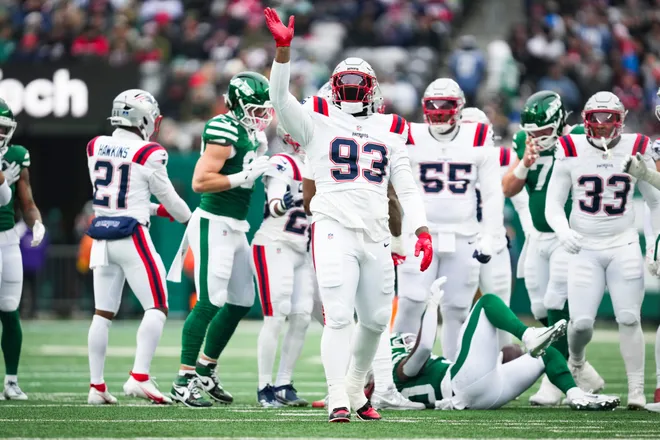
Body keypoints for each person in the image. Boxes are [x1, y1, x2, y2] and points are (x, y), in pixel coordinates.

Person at [265, 8, 433, 422]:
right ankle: (337, 394)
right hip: (333, 226)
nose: (356, 91)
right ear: (336, 89)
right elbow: (278, 100)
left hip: (375, 232)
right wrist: (283, 52)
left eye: (361, 85)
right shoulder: (316, 119)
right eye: (349, 85)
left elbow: (406, 185)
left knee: (376, 320)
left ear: (373, 89)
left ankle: (357, 388)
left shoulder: (392, 127)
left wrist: (421, 230)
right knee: (339, 315)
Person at [545, 91, 660, 409]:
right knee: (580, 323)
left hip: (623, 243)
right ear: (586, 120)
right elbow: (554, 204)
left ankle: (636, 391)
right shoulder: (570, 147)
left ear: (621, 120)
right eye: (597, 118)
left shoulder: (637, 145)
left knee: (629, 318)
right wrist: (563, 230)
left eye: (610, 118)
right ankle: (577, 363)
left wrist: (652, 242)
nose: (603, 125)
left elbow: (654, 201)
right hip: (584, 246)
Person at [167, 72, 273, 407]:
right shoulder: (223, 128)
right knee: (210, 301)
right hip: (214, 222)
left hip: (236, 224)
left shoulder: (248, 131)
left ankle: (205, 368)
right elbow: (200, 181)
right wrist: (244, 174)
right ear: (239, 105)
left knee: (241, 301)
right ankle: (183, 380)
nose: (261, 116)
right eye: (255, 109)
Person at [85, 89, 191, 405]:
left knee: (102, 314)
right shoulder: (149, 152)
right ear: (143, 118)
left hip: (101, 237)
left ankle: (96, 386)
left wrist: (159, 211)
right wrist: (187, 216)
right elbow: (168, 197)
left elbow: (124, 196)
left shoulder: (95, 146)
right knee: (157, 307)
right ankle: (139, 377)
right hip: (132, 238)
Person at [501, 91, 604, 406]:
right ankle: (577, 365)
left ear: (559, 122)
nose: (538, 138)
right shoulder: (524, 141)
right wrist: (524, 165)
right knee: (539, 309)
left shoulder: (577, 137)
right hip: (538, 236)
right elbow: (507, 187)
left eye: (544, 132)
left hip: (565, 234)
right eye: (533, 132)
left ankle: (554, 380)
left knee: (556, 301)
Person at [392, 78, 504, 363]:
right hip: (420, 235)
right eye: (433, 106)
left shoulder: (477, 137)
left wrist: (490, 235)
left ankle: (454, 376)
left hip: (464, 234)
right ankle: (394, 374)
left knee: (457, 309)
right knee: (410, 303)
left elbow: (492, 194)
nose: (439, 112)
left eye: (446, 106)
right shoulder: (411, 135)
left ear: (460, 108)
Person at [391, 277, 620, 411]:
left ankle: (575, 393)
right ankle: (527, 333)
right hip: (460, 385)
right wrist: (432, 307)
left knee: (545, 353)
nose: (410, 337)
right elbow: (422, 350)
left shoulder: (394, 372)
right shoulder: (393, 369)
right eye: (404, 340)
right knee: (486, 302)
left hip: (485, 393)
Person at [461, 106, 535, 348]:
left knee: (502, 314)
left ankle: (503, 364)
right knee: (456, 312)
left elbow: (522, 203)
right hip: (460, 243)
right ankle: (452, 369)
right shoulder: (445, 159)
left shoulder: (501, 158)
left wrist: (532, 236)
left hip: (493, 244)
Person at [252, 124, 313, 408]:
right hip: (274, 242)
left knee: (301, 317)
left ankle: (283, 383)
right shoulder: (282, 161)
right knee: (276, 316)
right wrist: (286, 201)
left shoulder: (319, 164)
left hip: (302, 249)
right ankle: (264, 387)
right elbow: (275, 202)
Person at [0, 97, 45, 400]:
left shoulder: (17, 154)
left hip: (7, 240)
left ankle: (11, 380)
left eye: (4, 128)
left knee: (9, 309)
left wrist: (36, 222)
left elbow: (24, 201)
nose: (0, 134)